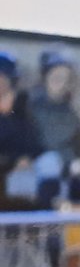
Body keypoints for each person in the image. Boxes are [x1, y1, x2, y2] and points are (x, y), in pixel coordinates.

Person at [0, 51, 47, 204]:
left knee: (47, 164)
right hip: (7, 165)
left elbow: (33, 142)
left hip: (24, 167)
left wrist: (27, 158)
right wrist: (14, 161)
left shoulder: (23, 108)